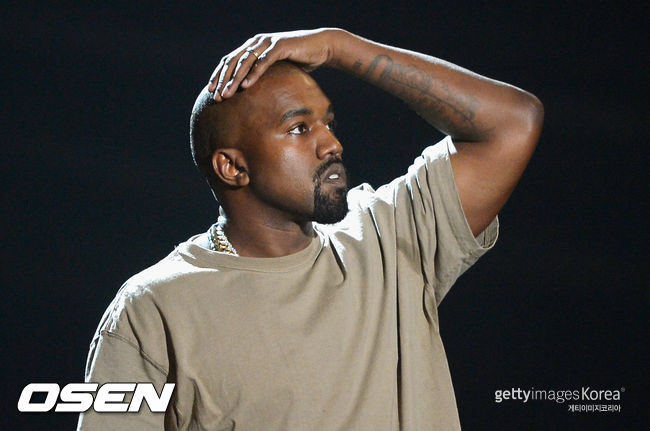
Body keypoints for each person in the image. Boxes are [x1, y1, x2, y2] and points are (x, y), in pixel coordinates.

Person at [78, 28, 543, 430]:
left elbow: (513, 122)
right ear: (232, 167)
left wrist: (339, 46)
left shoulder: (388, 232)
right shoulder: (154, 307)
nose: (331, 143)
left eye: (328, 122)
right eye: (300, 128)